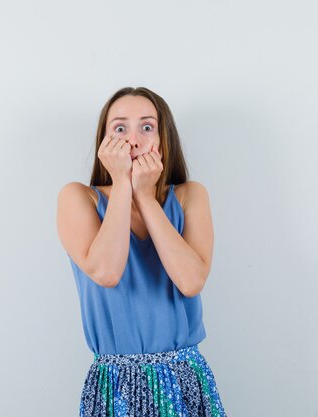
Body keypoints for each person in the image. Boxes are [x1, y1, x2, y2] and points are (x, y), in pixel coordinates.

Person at [56, 86, 227, 417]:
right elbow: (107, 272)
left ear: (163, 138)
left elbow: (191, 282)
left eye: (146, 127)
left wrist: (146, 197)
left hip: (184, 378)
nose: (133, 140)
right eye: (120, 128)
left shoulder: (191, 196)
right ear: (104, 142)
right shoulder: (77, 198)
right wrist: (122, 185)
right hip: (115, 384)